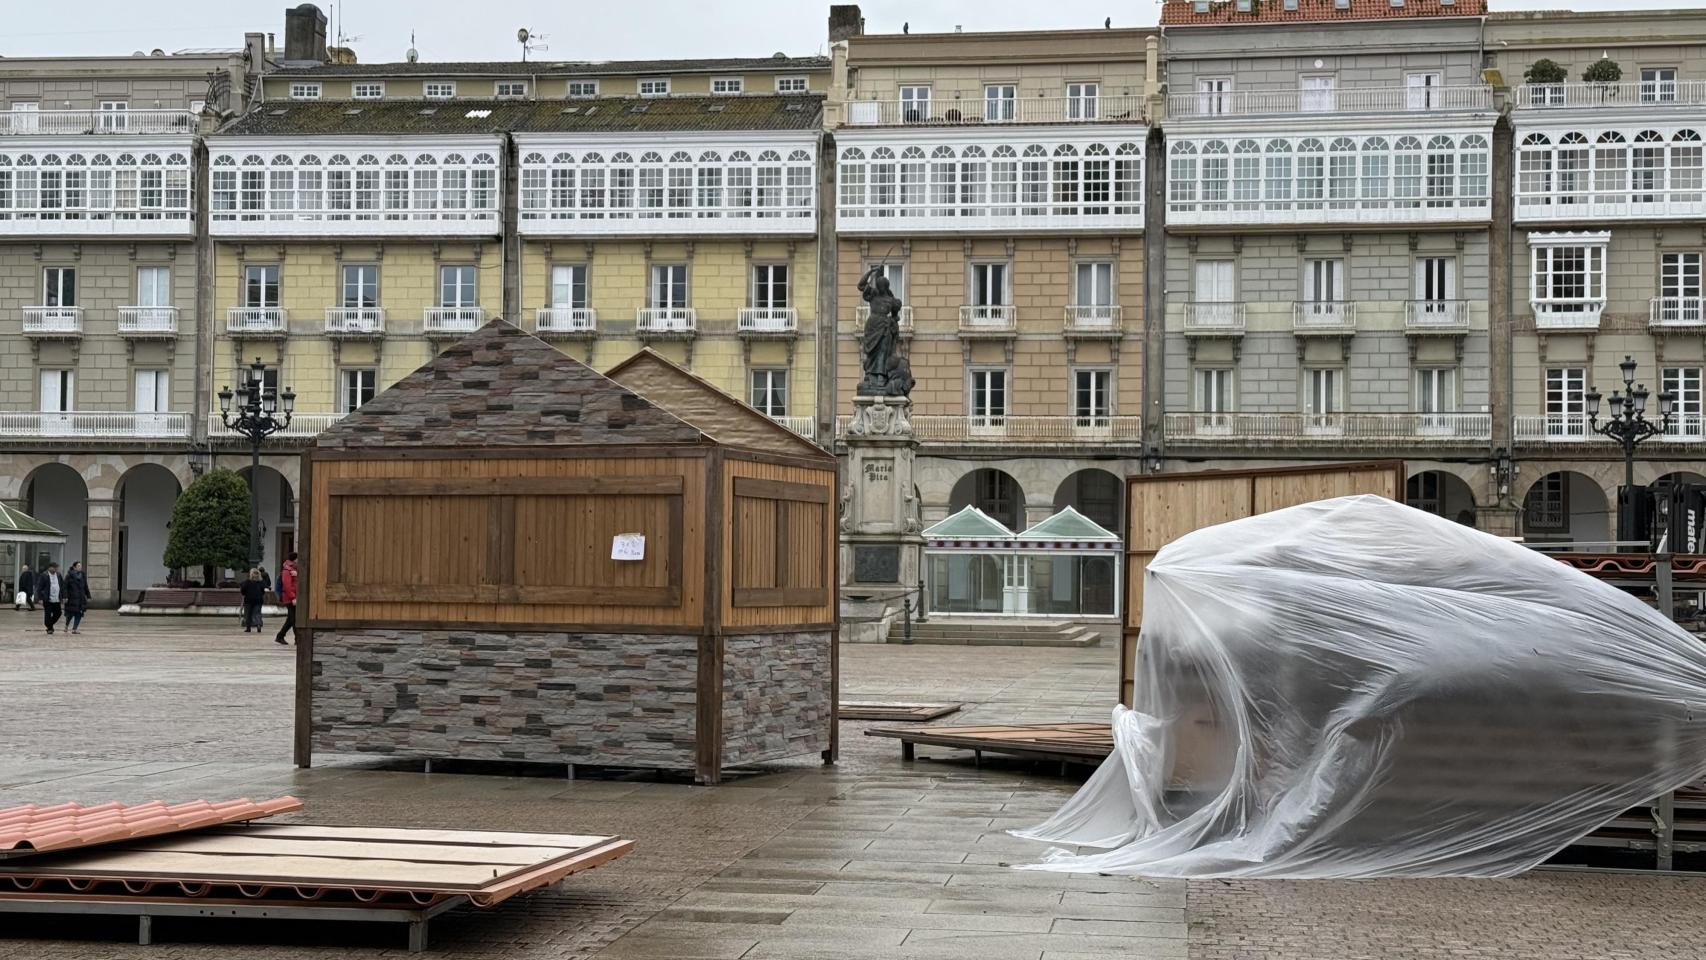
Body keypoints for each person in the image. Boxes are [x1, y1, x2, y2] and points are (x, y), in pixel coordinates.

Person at [274, 552, 298, 646]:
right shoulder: (287, 570)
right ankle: (296, 638)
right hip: (290, 598)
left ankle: (281, 636)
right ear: (295, 560)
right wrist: (293, 597)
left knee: (292, 619)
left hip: (293, 597)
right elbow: (287, 586)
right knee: (293, 619)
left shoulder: (294, 569)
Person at [36, 562, 64, 634]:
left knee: (58, 613)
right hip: (47, 598)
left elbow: (62, 586)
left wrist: (63, 596)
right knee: (48, 614)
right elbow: (39, 587)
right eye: (54, 567)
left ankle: (49, 624)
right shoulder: (44, 575)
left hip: (56, 598)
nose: (56, 569)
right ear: (49, 568)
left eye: (56, 567)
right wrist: (40, 598)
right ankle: (50, 628)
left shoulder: (58, 575)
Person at [64, 561, 90, 635]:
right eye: (78, 566)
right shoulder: (69, 576)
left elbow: (85, 586)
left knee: (79, 614)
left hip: (81, 598)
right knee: (70, 613)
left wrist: (88, 595)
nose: (80, 567)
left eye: (80, 566)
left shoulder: (82, 575)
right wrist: (65, 596)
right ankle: (66, 625)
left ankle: (74, 629)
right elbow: (65, 587)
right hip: (72, 597)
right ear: (74, 567)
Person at [239, 568, 266, 633]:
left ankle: (248, 628)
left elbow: (243, 590)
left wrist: (244, 594)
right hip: (258, 600)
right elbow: (263, 591)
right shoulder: (261, 582)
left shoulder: (247, 582)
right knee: (257, 613)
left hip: (249, 599)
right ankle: (258, 624)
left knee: (248, 613)